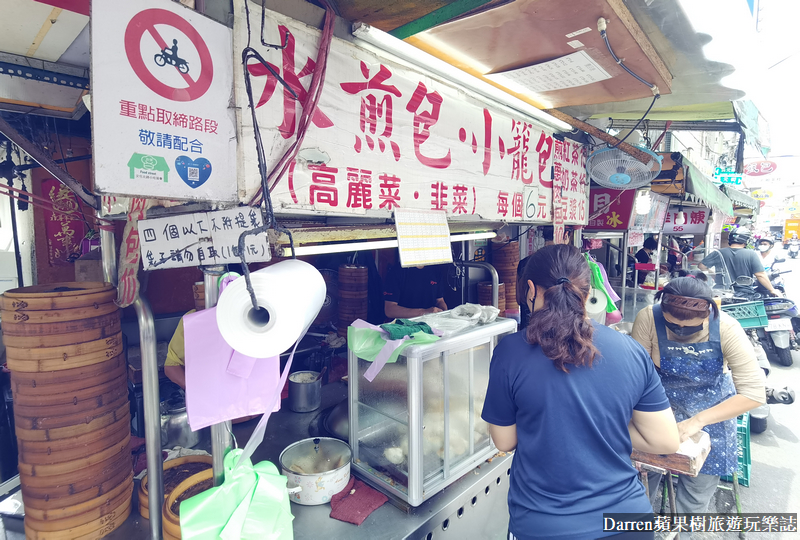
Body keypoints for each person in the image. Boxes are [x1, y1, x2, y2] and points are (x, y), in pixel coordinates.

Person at [482, 245, 680, 540]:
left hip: (546, 525)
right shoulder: (630, 350)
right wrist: (604, 421)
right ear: (588, 293)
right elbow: (664, 440)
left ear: (531, 290)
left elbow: (505, 441)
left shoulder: (510, 353)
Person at [630, 276, 766, 515]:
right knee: (642, 479)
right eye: (673, 326)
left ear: (708, 314)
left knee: (694, 496)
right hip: (659, 407)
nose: (681, 332)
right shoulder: (649, 318)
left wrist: (697, 422)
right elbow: (635, 375)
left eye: (691, 328)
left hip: (712, 413)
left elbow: (753, 394)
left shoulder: (727, 327)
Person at [698, 228, 778, 296]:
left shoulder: (719, 252)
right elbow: (760, 275)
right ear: (746, 240)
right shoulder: (751, 254)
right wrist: (772, 290)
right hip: (744, 293)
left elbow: (701, 266)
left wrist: (715, 275)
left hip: (721, 292)